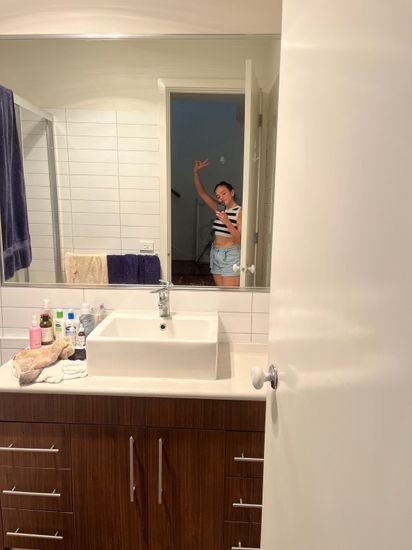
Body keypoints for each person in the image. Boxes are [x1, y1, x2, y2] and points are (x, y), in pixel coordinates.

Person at [193, 159, 242, 287]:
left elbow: (239, 239)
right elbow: (202, 193)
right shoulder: (219, 208)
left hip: (230, 255)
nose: (221, 197)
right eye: (218, 196)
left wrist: (227, 222)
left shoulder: (240, 211)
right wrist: (196, 172)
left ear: (232, 192)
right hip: (215, 254)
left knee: (230, 295)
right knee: (220, 292)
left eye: (224, 193)